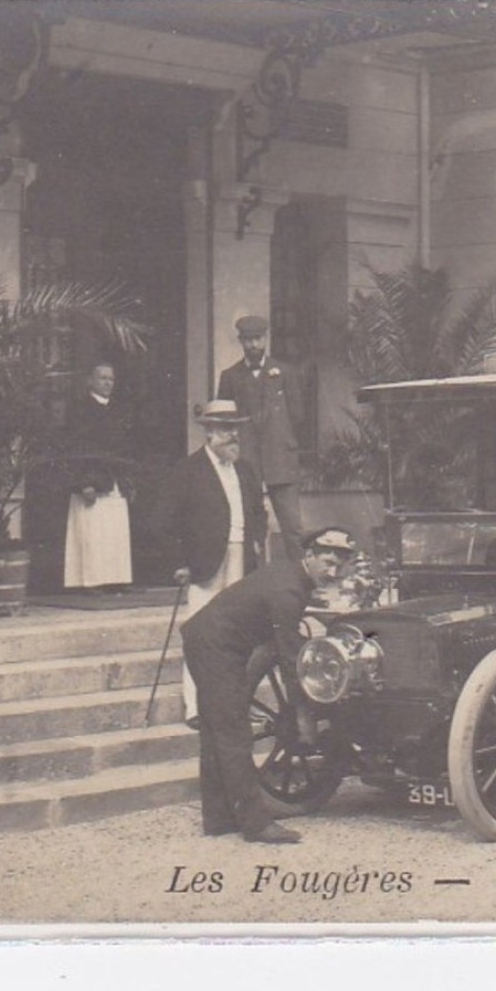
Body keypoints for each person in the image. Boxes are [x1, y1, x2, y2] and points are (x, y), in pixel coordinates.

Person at [180, 527, 357, 843]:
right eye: (326, 562)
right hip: (216, 646)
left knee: (215, 730)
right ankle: (256, 824)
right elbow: (291, 660)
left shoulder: (292, 577)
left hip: (208, 638)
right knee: (233, 732)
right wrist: (304, 713)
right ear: (309, 556)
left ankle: (219, 817)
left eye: (339, 566)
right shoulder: (289, 591)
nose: (332, 571)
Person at [148, 400, 268, 729]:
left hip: (242, 560)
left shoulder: (244, 470)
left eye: (236, 429)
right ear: (209, 431)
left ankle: (237, 704)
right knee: (200, 634)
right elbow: (161, 522)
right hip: (204, 565)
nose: (233, 436)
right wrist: (179, 562)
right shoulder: (188, 471)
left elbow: (259, 512)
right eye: (227, 429)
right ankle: (196, 707)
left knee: (240, 633)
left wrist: (257, 539)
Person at [216, 313, 309, 560]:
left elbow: (298, 416)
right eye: (247, 340)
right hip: (246, 461)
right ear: (240, 341)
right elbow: (223, 421)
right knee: (248, 525)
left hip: (281, 458)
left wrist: (282, 440)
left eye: (257, 339)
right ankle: (252, 581)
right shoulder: (230, 376)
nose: (253, 345)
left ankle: (300, 581)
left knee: (292, 527)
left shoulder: (285, 373)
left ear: (266, 338)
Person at [63, 362, 135, 592]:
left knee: (114, 532)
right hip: (91, 480)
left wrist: (129, 481)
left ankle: (116, 579)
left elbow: (125, 449)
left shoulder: (118, 410)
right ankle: (90, 581)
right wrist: (84, 483)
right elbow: (75, 448)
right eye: (102, 378)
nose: (107, 383)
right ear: (90, 381)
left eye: (111, 379)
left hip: (114, 479)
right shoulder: (79, 410)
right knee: (92, 531)